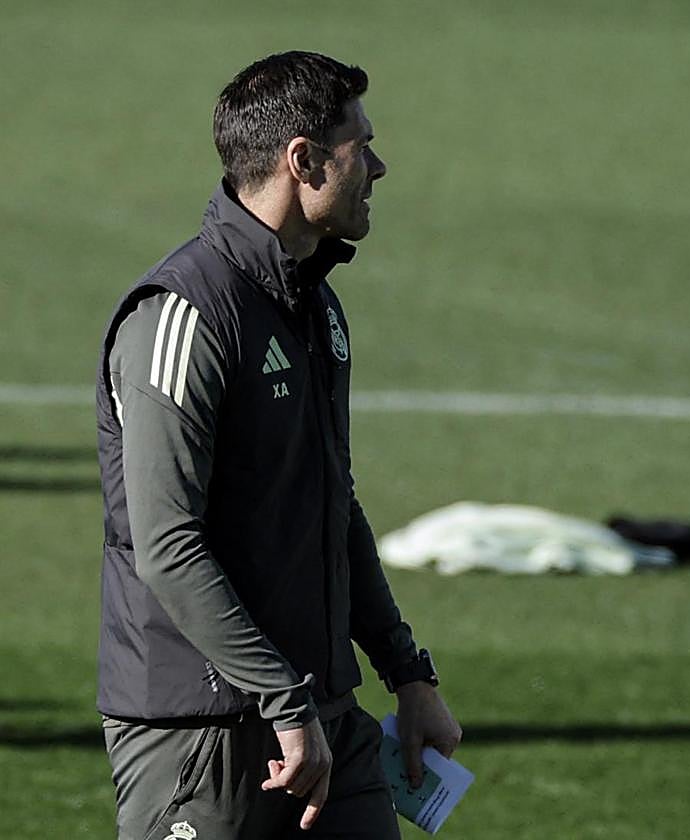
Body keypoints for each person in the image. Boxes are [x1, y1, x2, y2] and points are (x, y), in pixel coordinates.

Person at [95, 51, 461, 839]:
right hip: (204, 731)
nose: (379, 167)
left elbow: (332, 506)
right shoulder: (183, 315)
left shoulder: (314, 306)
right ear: (304, 160)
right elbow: (167, 544)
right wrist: (283, 701)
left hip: (320, 713)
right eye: (362, 145)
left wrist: (406, 672)